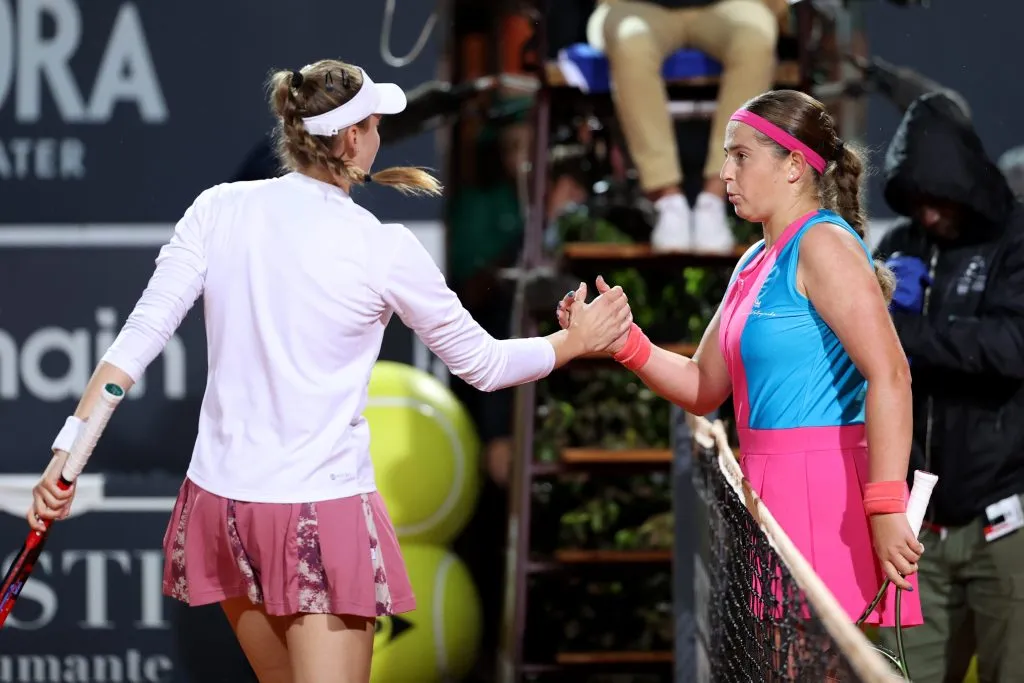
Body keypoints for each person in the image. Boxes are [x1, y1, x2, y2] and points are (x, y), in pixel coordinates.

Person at [27, 59, 633, 683]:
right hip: (317, 512)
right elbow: (484, 364)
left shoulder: (216, 209)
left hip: (224, 510)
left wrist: (68, 456)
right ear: (351, 137)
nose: (380, 137)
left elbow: (134, 345)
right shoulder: (383, 248)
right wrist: (573, 342)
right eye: (375, 125)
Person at [557, 89, 925, 629]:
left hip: (830, 502)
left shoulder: (823, 245)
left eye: (741, 156)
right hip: (771, 499)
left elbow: (890, 374)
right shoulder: (755, 258)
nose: (725, 173)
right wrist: (622, 341)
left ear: (794, 166)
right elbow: (703, 385)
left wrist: (887, 505)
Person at [873, 92, 1024, 682]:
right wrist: (876, 303)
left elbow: (1011, 347)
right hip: (915, 529)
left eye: (938, 199)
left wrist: (903, 329)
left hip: (1006, 520)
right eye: (917, 202)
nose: (929, 216)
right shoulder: (900, 246)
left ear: (967, 183)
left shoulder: (1016, 238)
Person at [586, 0, 789, 252]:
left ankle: (716, 196)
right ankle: (668, 201)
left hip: (725, 6)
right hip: (635, 6)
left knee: (756, 36)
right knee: (630, 40)